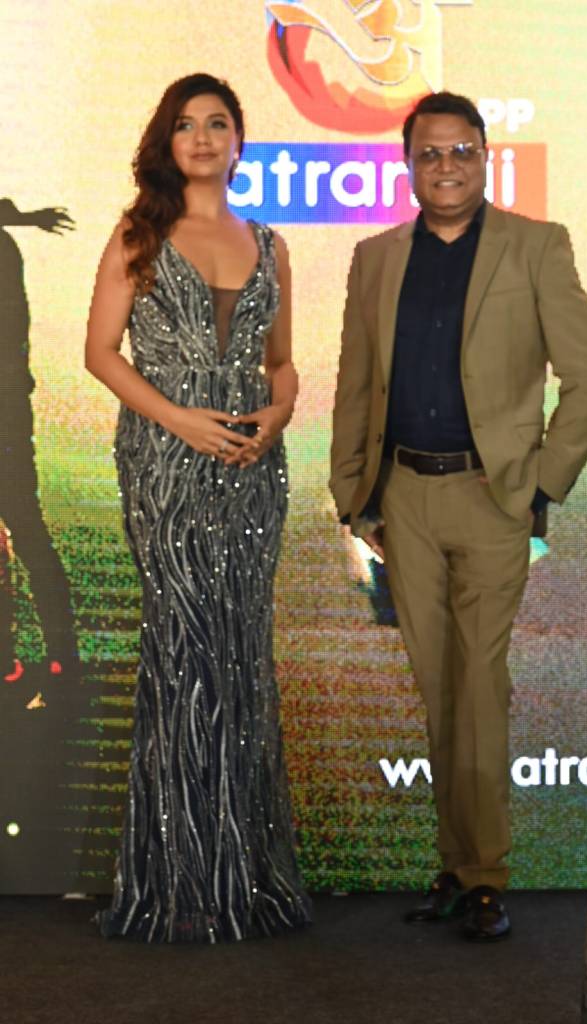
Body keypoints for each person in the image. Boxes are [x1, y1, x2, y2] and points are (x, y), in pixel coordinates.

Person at [330, 91, 587, 941]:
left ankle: (484, 875)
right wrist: (354, 498)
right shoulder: (375, 258)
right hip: (403, 501)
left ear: (484, 158)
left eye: (461, 151)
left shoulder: (536, 246)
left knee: (479, 685)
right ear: (408, 164)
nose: (445, 166)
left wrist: (541, 486)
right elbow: (355, 382)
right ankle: (454, 869)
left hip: (493, 498)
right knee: (438, 687)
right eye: (429, 153)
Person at [85, 72, 311, 942]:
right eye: (187, 124)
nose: (204, 137)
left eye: (218, 123)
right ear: (167, 141)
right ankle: (176, 881)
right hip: (165, 464)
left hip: (252, 469)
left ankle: (243, 878)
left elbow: (280, 363)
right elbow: (101, 353)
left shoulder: (269, 243)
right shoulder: (138, 235)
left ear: (239, 140)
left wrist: (276, 415)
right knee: (183, 653)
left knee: (241, 653)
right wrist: (180, 420)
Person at [0, 198, 78, 689]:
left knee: (25, 528)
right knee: (26, 528)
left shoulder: (4, 251)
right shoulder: (6, 249)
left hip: (5, 405)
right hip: (9, 404)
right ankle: (58, 653)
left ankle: (36, 655)